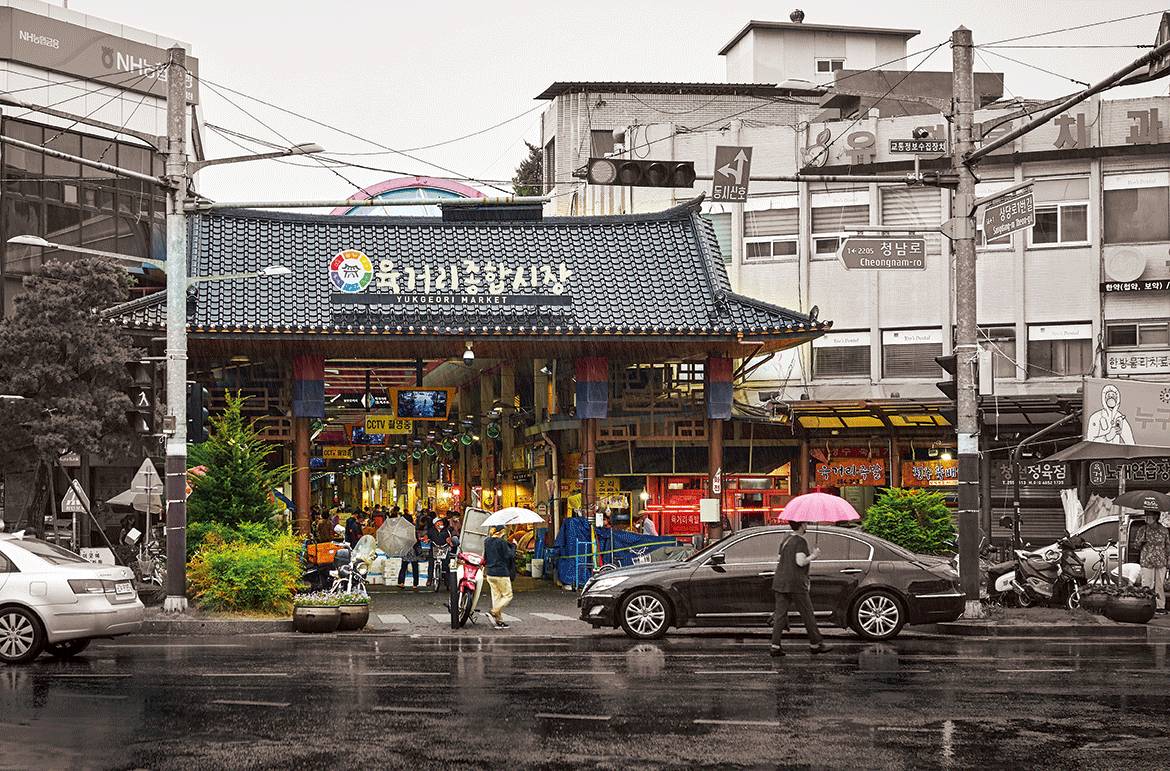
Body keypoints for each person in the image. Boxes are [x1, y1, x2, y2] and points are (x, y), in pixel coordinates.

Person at [770, 521, 829, 656]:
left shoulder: (786, 539)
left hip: (780, 581)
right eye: (806, 524)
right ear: (802, 525)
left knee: (780, 615)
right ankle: (815, 644)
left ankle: (775, 646)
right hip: (796, 583)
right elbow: (800, 561)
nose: (807, 525)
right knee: (807, 613)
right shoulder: (800, 542)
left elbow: (780, 558)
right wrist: (814, 555)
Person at [1131, 511, 1170, 613]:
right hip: (1147, 560)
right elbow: (1136, 546)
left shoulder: (1163, 530)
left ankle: (1160, 606)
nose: (1147, 518)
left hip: (1161, 561)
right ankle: (1145, 605)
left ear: (1156, 517)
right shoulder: (1142, 530)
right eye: (1146, 516)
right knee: (1147, 584)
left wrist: (1168, 560)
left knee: (1160, 584)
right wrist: (1141, 540)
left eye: (1149, 516)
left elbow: (1168, 546)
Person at [484, 526, 517, 629]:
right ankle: (494, 611)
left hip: (490, 573)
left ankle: (499, 620)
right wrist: (514, 545)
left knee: (496, 597)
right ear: (502, 532)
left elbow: (485, 557)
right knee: (508, 595)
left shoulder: (487, 541)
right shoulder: (501, 542)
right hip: (501, 572)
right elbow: (509, 555)